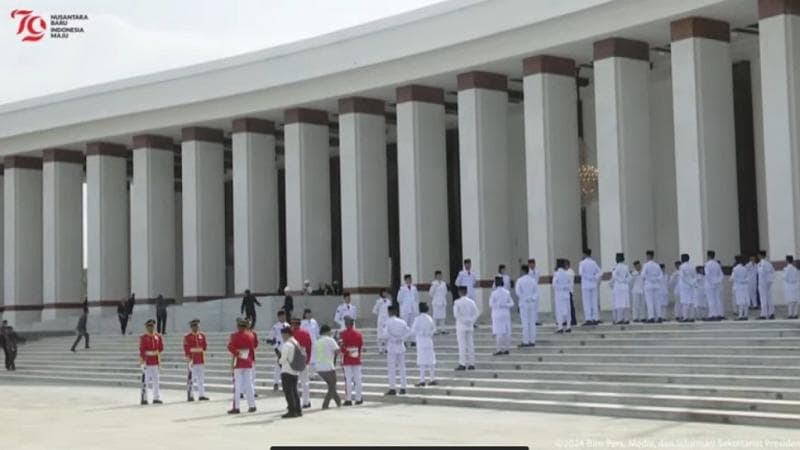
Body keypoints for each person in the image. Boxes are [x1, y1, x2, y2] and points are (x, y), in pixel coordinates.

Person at [227, 318, 257, 414]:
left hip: (238, 361)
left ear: (239, 326)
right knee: (249, 384)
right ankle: (252, 405)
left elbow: (230, 346)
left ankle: (236, 407)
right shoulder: (251, 335)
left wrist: (237, 353)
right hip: (248, 361)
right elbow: (254, 347)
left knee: (237, 385)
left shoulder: (235, 335)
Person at [381, 306, 409, 395]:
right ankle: (403, 387)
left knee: (392, 368)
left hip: (392, 346)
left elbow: (385, 334)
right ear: (396, 312)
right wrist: (401, 338)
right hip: (400, 346)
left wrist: (392, 338)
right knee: (402, 367)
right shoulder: (402, 322)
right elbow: (409, 332)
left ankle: (392, 388)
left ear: (389, 312)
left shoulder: (387, 322)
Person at [312, 324, 341, 409]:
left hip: (319, 367)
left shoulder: (318, 341)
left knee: (331, 385)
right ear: (327, 331)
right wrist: (339, 343)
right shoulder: (330, 340)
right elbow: (337, 351)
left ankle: (338, 402)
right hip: (328, 366)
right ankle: (325, 404)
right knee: (332, 386)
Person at [277, 326, 302, 418]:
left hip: (287, 370)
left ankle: (292, 411)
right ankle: (298, 410)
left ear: (287, 334)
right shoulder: (296, 342)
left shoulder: (287, 344)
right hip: (295, 370)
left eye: (283, 334)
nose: (282, 337)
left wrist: (279, 360)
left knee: (288, 392)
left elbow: (283, 359)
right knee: (294, 391)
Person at [453, 286, 479, 370]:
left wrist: (463, 320)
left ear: (459, 292)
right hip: (469, 325)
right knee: (470, 345)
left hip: (461, 325)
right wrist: (471, 321)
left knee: (462, 345)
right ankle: (472, 363)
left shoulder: (457, 302)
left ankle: (462, 363)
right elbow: (476, 313)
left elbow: (456, 314)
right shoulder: (471, 302)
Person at [339, 316, 364, 405]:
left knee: (348, 380)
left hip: (347, 359)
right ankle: (358, 398)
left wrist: (347, 353)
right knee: (358, 379)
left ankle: (348, 399)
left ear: (346, 324)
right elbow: (360, 346)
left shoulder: (343, 334)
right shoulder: (359, 334)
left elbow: (342, 347)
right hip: (356, 358)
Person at [183, 319, 209, 401]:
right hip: (192, 360)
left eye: (197, 326)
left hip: (200, 359)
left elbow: (204, 346)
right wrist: (189, 358)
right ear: (191, 327)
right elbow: (186, 348)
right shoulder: (187, 337)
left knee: (201, 378)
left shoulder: (202, 336)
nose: (196, 327)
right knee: (191, 378)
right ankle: (190, 395)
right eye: (194, 326)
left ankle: (201, 395)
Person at [139, 319, 164, 405]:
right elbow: (142, 350)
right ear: (146, 327)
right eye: (149, 326)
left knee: (156, 381)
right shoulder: (144, 338)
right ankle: (144, 398)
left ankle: (156, 398)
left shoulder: (158, 337)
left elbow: (160, 348)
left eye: (152, 326)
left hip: (155, 361)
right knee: (146, 381)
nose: (151, 328)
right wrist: (142, 362)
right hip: (147, 362)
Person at [515, 259, 539, 347]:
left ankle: (525, 341)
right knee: (532, 322)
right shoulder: (533, 280)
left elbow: (518, 292)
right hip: (532, 303)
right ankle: (532, 340)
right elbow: (536, 292)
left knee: (525, 322)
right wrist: (532, 298)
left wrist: (524, 298)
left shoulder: (520, 280)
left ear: (522, 271)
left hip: (524, 303)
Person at [290, 318, 313, 409]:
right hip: (304, 358)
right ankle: (306, 401)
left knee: (293, 383)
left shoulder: (291, 334)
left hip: (294, 359)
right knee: (305, 382)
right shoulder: (306, 333)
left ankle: (295, 402)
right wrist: (308, 359)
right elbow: (309, 347)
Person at [489, 276, 514, 355]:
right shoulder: (507, 292)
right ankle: (507, 348)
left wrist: (498, 305)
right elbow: (512, 303)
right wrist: (505, 305)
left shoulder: (493, 293)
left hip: (497, 313)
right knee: (507, 331)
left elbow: (490, 304)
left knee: (499, 332)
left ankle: (499, 349)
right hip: (506, 312)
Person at [578, 249, 601, 325]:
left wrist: (588, 277)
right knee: (594, 301)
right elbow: (600, 272)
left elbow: (581, 273)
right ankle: (595, 318)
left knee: (587, 302)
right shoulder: (594, 262)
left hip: (585, 285)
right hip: (593, 284)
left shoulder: (582, 263)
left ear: (584, 254)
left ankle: (588, 319)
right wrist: (594, 277)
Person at [269, 310, 290, 390]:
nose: (283, 317)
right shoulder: (275, 327)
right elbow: (270, 339)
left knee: (286, 367)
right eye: (282, 316)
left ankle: (286, 384)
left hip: (287, 348)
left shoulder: (287, 325)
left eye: (284, 316)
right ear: (278, 317)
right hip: (279, 349)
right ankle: (276, 383)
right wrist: (276, 349)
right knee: (278, 367)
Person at [642, 250, 663, 323]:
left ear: (648, 256)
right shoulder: (657, 265)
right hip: (656, 285)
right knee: (657, 302)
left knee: (649, 302)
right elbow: (661, 275)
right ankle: (659, 316)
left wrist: (649, 278)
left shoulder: (646, 265)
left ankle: (651, 317)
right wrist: (655, 279)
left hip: (648, 285)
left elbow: (643, 275)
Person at [553, 259, 575, 332]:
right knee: (568, 311)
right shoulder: (567, 274)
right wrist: (566, 288)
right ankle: (568, 327)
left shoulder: (556, 274)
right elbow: (570, 284)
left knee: (559, 311)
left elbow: (554, 285)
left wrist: (560, 287)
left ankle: (560, 327)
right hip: (566, 294)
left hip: (559, 294)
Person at [610, 253, 631, 325]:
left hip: (618, 287)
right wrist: (625, 280)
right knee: (625, 303)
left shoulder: (616, 267)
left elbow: (614, 276)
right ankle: (626, 319)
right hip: (625, 287)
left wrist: (619, 281)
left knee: (618, 303)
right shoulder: (626, 267)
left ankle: (619, 319)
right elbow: (630, 277)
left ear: (617, 259)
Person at [704, 250, 724, 321]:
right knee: (717, 300)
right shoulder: (717, 264)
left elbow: (707, 275)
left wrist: (712, 282)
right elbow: (721, 275)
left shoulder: (707, 264)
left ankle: (712, 315)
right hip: (717, 284)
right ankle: (718, 314)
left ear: (708, 256)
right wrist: (717, 281)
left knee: (711, 300)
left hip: (709, 285)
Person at [372, 289, 392, 354]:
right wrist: (380, 315)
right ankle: (380, 349)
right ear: (381, 293)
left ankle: (387, 348)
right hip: (381, 320)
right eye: (383, 293)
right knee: (380, 335)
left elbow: (390, 310)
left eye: (386, 292)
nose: (385, 294)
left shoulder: (389, 301)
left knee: (387, 334)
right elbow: (374, 311)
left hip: (387, 319)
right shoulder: (378, 301)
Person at [757, 250, 776, 320]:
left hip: (763, 283)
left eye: (758, 255)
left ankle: (763, 314)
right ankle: (771, 313)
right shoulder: (769, 263)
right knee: (769, 298)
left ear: (761, 255)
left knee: (763, 299)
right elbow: (773, 272)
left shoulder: (762, 263)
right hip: (768, 283)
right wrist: (770, 281)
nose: (758, 257)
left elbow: (761, 272)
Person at [678, 253, 697, 322]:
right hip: (691, 286)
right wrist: (692, 282)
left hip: (684, 286)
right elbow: (695, 276)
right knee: (691, 301)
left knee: (685, 302)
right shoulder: (692, 266)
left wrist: (689, 282)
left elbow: (682, 277)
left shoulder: (682, 267)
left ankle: (685, 317)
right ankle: (692, 317)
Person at [731, 256, 750, 320]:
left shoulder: (735, 269)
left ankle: (740, 315)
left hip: (738, 286)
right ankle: (746, 315)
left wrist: (738, 280)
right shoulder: (745, 268)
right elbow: (748, 278)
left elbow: (732, 278)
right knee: (745, 301)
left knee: (740, 302)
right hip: (745, 286)